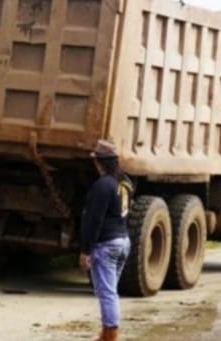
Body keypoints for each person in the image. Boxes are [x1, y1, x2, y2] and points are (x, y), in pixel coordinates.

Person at [79, 139, 132, 341]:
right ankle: (106, 333)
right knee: (110, 290)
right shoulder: (124, 182)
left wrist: (85, 251)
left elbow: (94, 220)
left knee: (107, 293)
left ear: (99, 162)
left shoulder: (103, 185)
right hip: (122, 241)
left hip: (106, 245)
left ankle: (110, 335)